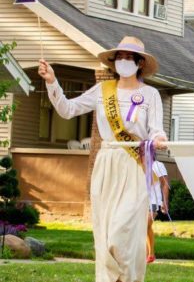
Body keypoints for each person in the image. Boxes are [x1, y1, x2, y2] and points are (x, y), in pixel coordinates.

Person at [38, 36, 167, 282]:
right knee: (106, 233)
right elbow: (67, 109)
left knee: (123, 232)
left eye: (130, 57)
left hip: (135, 165)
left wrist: (159, 139)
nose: (124, 61)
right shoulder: (102, 91)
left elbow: (156, 129)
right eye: (120, 57)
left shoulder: (150, 95)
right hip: (106, 164)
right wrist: (52, 82)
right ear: (113, 62)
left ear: (140, 63)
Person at [146, 161, 170, 264]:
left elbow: (165, 184)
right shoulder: (136, 164)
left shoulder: (158, 165)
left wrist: (165, 202)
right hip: (138, 200)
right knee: (144, 227)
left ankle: (149, 254)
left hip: (153, 201)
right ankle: (147, 255)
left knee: (145, 224)